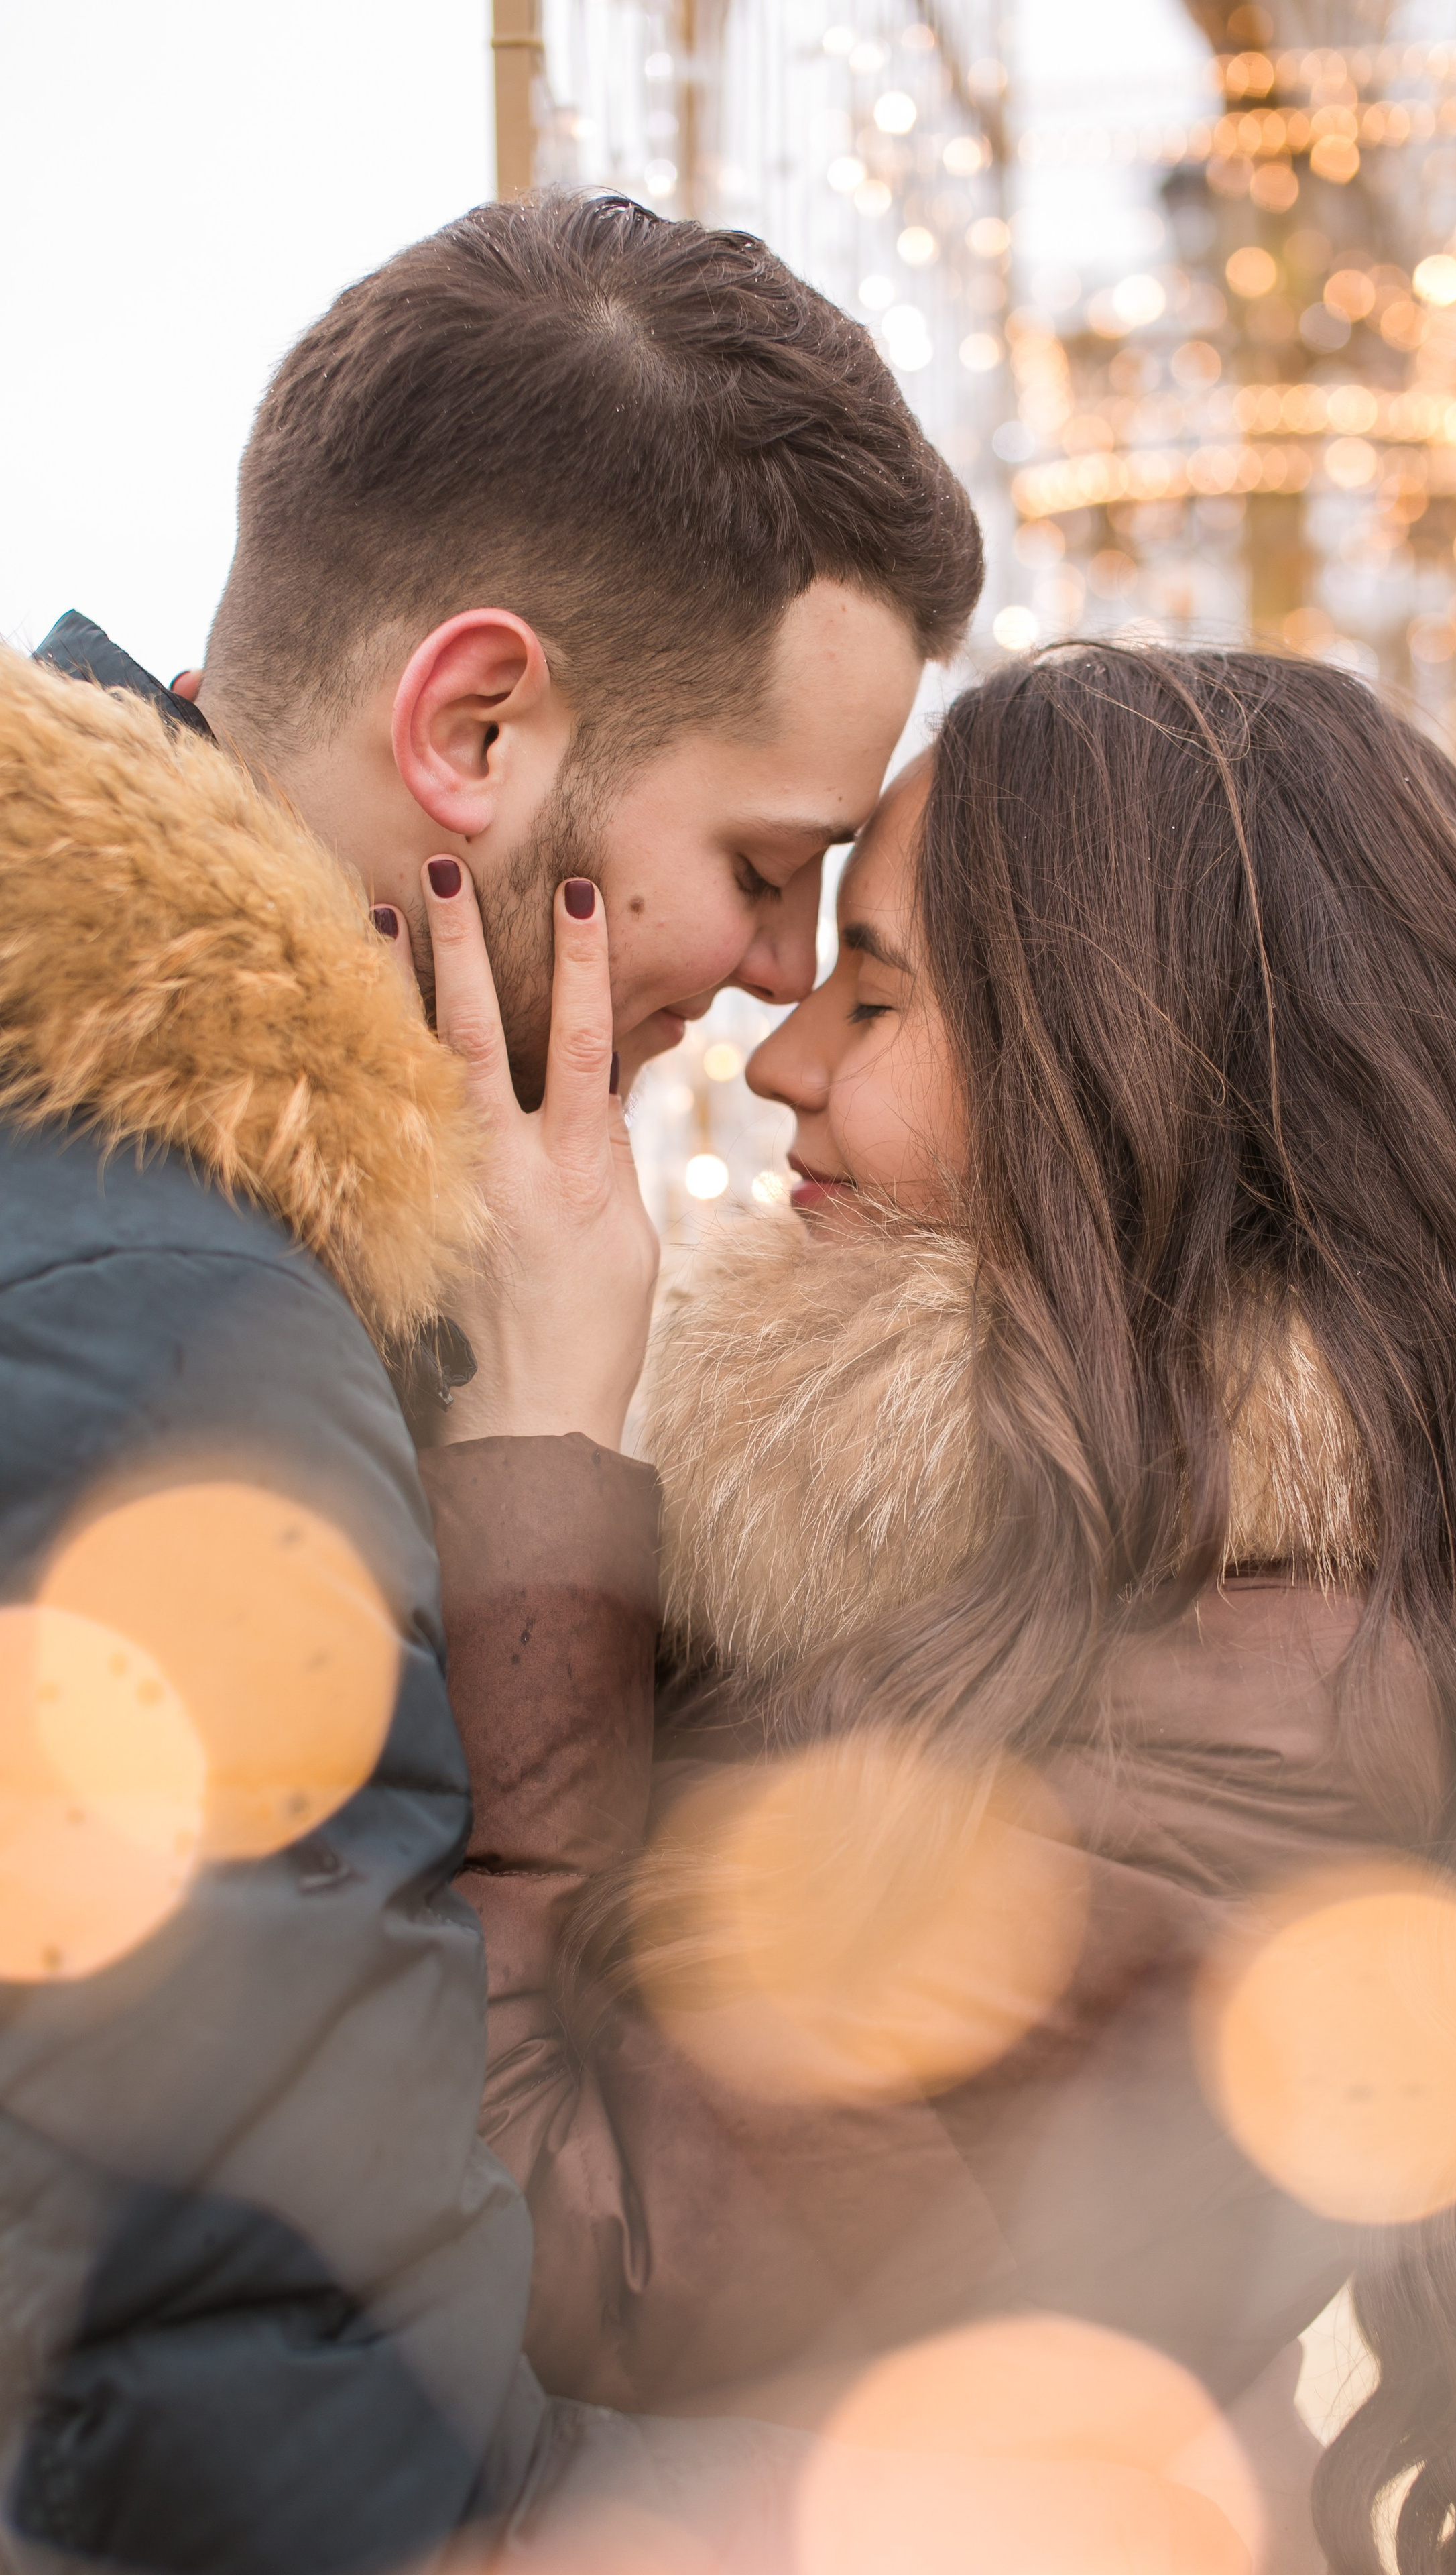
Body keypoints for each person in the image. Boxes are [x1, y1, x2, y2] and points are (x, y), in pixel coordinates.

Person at [442, 644, 1456, 2575]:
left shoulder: (1262, 1717)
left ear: (1123, 1090)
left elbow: (576, 2247)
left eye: (876, 992)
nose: (781, 1059)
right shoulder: (1033, 1573)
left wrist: (535, 1461)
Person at [2, 189, 979, 2572]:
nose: (766, 980)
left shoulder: (162, 1191)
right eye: (764, 865)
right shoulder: (164, 1309)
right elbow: (259, 2421)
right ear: (475, 727)